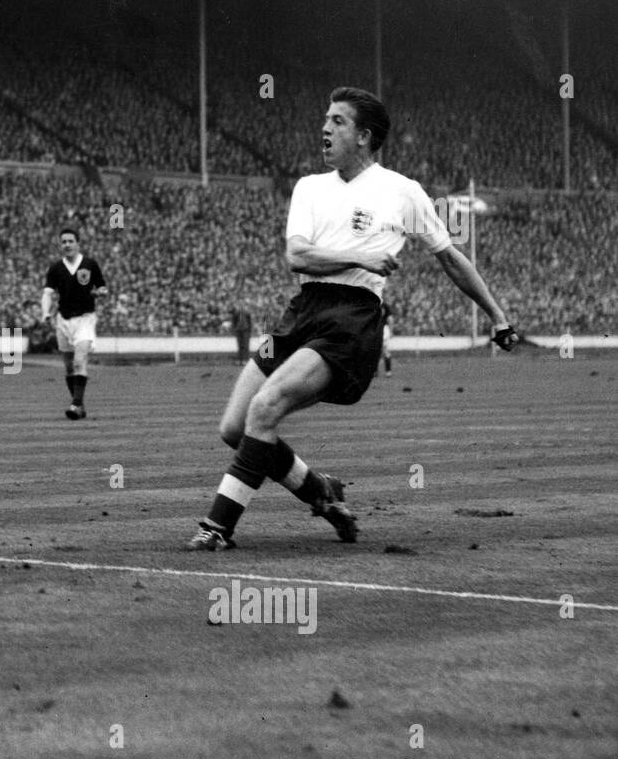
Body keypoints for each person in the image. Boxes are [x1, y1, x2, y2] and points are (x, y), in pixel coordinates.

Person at [186, 87, 519, 551]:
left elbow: (450, 258)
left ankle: (217, 527)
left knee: (264, 409)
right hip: (300, 313)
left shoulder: (403, 192)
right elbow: (296, 256)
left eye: (337, 121)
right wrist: (360, 256)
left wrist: (497, 317)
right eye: (325, 118)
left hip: (351, 320)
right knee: (234, 428)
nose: (325, 128)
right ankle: (319, 489)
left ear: (363, 136)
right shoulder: (308, 186)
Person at [40, 226, 108, 420]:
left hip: (85, 318)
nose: (67, 244)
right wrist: (46, 313)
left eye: (71, 241)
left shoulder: (90, 264)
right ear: (60, 245)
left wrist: (101, 292)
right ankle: (79, 404)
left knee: (80, 361)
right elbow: (47, 293)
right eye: (64, 242)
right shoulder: (55, 268)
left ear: (78, 243)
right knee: (69, 366)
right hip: (63, 319)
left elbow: (102, 287)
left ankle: (75, 404)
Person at [380, 301, 393, 376]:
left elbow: (390, 319)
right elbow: (390, 319)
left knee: (381, 349)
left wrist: (391, 331)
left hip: (382, 329)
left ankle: (387, 371)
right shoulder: (385, 305)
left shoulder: (372, 303)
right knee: (382, 349)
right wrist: (391, 331)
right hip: (382, 329)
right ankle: (388, 371)